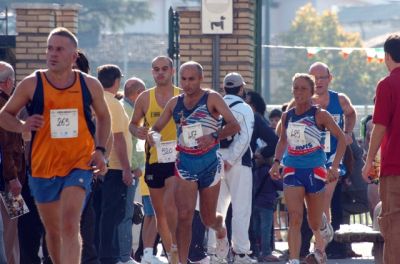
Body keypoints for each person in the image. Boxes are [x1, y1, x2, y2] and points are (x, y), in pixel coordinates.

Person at [0, 27, 111, 264]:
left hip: (79, 165)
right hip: (42, 168)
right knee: (54, 231)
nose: (52, 53)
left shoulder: (89, 85)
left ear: (73, 57)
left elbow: (104, 117)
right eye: (49, 48)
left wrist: (100, 150)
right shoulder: (32, 83)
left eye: (59, 49)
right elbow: (4, 115)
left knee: (70, 224)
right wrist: (22, 125)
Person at [148, 61, 240, 263]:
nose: (187, 84)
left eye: (192, 79)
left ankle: (221, 229)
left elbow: (234, 125)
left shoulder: (212, 98)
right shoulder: (175, 103)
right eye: (183, 79)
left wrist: (214, 136)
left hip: (209, 164)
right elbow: (155, 128)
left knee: (207, 219)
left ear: (200, 79)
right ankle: (182, 260)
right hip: (185, 164)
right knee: (184, 216)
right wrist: (152, 136)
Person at [269, 73, 346, 264]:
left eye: (303, 88)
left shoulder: (320, 114)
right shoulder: (288, 115)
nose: (298, 92)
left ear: (311, 92)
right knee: (295, 218)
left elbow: (343, 139)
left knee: (313, 222)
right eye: (295, 88)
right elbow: (282, 141)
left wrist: (334, 167)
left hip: (315, 171)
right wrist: (277, 162)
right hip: (293, 170)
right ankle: (294, 259)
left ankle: (322, 230)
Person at [129, 56, 179, 263]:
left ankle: (178, 253)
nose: (160, 73)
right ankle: (173, 255)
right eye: (156, 69)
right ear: (152, 73)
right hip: (155, 160)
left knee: (172, 209)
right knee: (160, 215)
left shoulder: (182, 96)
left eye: (164, 69)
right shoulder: (145, 98)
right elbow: (133, 124)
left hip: (178, 160)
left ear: (172, 71)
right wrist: (139, 131)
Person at [207, 72, 255, 263]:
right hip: (239, 163)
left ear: (225, 88)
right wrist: (233, 159)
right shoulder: (244, 108)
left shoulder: (214, 105)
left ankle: (215, 253)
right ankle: (241, 254)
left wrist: (220, 159)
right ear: (241, 88)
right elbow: (245, 137)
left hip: (216, 160)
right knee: (241, 208)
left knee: (216, 208)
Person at [362, 34, 400, 264]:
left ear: (387, 56)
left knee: (393, 228)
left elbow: (379, 127)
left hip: (394, 168)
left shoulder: (387, 85)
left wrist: (369, 163)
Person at [96, 64, 136, 264]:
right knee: (113, 214)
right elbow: (118, 138)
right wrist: (127, 169)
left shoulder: (96, 100)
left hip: (101, 166)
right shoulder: (114, 103)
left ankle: (103, 255)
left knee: (103, 214)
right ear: (117, 81)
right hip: (114, 168)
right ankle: (109, 257)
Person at [245, 90, 280, 262]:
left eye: (247, 103)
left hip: (263, 183)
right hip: (255, 180)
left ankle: (264, 251)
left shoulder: (259, 122)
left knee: (263, 221)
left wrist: (260, 156)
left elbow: (274, 144)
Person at [0, 61, 20, 264]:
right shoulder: (6, 108)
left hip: (8, 177)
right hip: (10, 180)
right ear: (8, 82)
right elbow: (7, 147)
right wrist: (13, 178)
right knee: (10, 227)